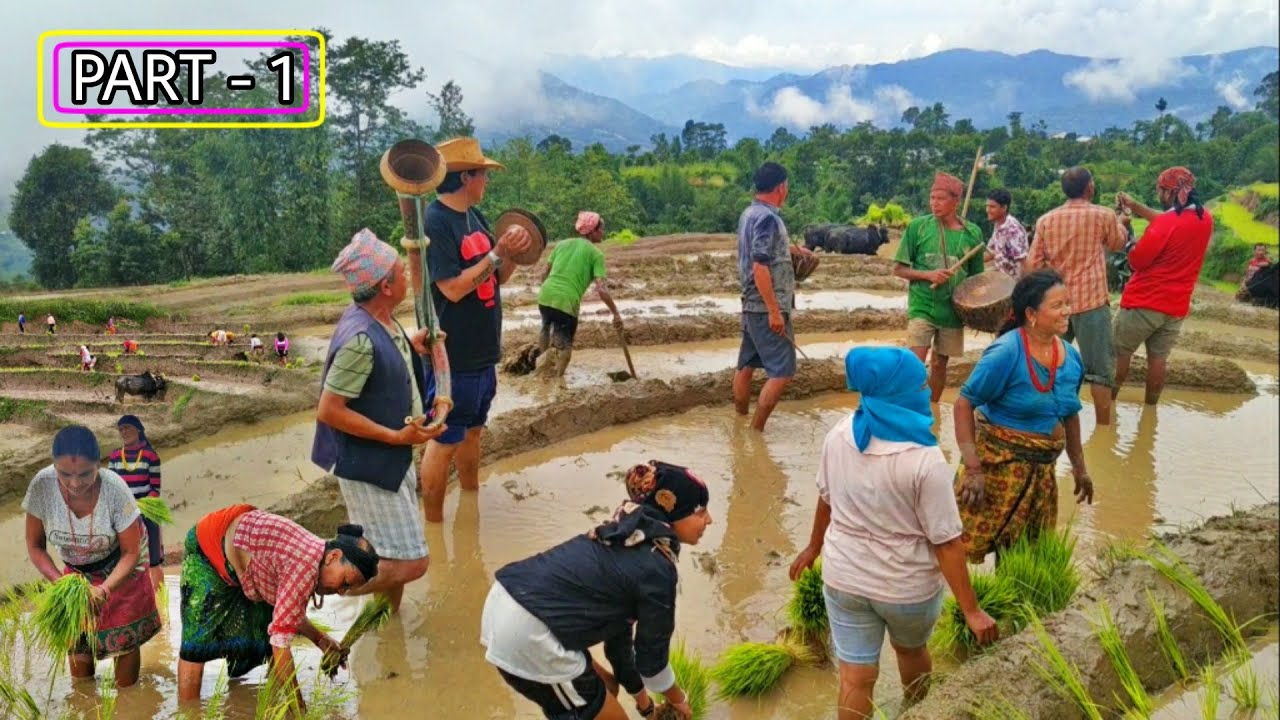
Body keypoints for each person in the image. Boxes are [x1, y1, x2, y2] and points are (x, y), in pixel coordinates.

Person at [790, 347, 998, 720]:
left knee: (855, 676)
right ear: (897, 390)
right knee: (911, 652)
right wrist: (971, 610)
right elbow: (947, 541)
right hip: (906, 587)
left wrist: (813, 547)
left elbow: (825, 499)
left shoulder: (839, 434)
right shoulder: (924, 458)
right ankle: (915, 712)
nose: (925, 388)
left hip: (844, 580)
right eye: (918, 382)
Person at [480, 460, 713, 720]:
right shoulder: (656, 568)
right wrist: (679, 700)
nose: (709, 520)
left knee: (608, 688)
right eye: (700, 511)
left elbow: (620, 646)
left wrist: (645, 707)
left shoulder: (625, 535)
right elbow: (652, 662)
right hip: (529, 634)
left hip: (512, 601)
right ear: (672, 511)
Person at [313, 230, 445, 612]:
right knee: (412, 563)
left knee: (385, 554)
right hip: (370, 464)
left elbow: (385, 364)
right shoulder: (360, 340)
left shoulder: (381, 321)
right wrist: (393, 436)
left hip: (390, 455)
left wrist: (413, 345)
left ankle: (388, 624)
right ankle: (318, 593)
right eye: (402, 271)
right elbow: (329, 409)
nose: (407, 276)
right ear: (386, 286)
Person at [419, 136, 531, 524]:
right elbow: (450, 286)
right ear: (466, 177)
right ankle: (432, 525)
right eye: (483, 174)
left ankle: (470, 499)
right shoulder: (435, 221)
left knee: (473, 432)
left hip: (483, 350)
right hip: (455, 353)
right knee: (443, 439)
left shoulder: (475, 217)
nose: (487, 182)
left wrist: (510, 256)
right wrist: (497, 253)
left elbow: (495, 277)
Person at [176, 505, 379, 711]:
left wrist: (320, 639)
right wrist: (299, 709)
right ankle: (187, 710)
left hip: (248, 556)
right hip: (209, 544)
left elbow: (287, 612)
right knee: (196, 644)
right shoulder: (303, 568)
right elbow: (280, 642)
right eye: (345, 582)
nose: (342, 592)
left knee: (262, 634)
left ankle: (265, 701)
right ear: (333, 556)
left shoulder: (315, 553)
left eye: (349, 588)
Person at [953, 269, 1094, 563]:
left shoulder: (1072, 357)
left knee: (1024, 559)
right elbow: (963, 404)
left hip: (1042, 473)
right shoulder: (1006, 352)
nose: (1067, 311)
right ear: (1031, 313)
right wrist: (974, 469)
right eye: (1057, 305)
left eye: (1068, 303)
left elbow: (1070, 415)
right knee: (957, 551)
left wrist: (1080, 468)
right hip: (997, 469)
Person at [23, 425, 161, 688]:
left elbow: (131, 552)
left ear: (100, 464)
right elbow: (35, 546)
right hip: (74, 573)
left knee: (124, 638)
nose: (75, 483)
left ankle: (127, 699)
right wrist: (60, 582)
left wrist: (105, 589)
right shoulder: (42, 486)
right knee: (77, 643)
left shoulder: (115, 490)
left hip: (120, 567)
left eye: (85, 474)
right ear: (54, 467)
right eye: (65, 474)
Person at [1024, 166, 1129, 426]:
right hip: (1091, 302)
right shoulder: (1103, 215)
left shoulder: (1046, 220)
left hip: (1055, 306)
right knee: (1100, 372)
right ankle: (1104, 430)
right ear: (1090, 188)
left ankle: (1045, 424)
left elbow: (1033, 264)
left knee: (1049, 366)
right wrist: (1121, 224)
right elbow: (1117, 244)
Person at [1111, 168, 1215, 406]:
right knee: (1158, 359)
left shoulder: (1167, 222)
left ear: (1169, 193)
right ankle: (1150, 410)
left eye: (1160, 190)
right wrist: (1136, 206)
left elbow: (1137, 261)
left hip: (1144, 301)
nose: (1158, 194)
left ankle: (1108, 408)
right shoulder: (1204, 218)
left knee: (1119, 353)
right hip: (1176, 306)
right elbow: (1168, 220)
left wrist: (1128, 234)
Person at [892, 172, 985, 403]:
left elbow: (977, 280)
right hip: (922, 306)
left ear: (956, 201)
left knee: (939, 364)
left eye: (940, 199)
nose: (934, 203)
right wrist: (928, 274)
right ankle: (911, 408)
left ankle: (931, 410)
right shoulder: (918, 227)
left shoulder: (972, 233)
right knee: (915, 363)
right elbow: (899, 269)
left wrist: (975, 313)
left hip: (952, 312)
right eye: (932, 198)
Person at [733, 161, 810, 432]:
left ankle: (740, 422)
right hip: (766, 304)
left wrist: (789, 250)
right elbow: (760, 264)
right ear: (782, 187)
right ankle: (756, 431)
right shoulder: (768, 218)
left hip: (750, 303)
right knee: (783, 371)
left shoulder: (750, 213)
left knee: (746, 364)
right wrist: (775, 310)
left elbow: (762, 250)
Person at [534, 210, 623, 379]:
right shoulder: (596, 254)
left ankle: (543, 371)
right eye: (601, 229)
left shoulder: (562, 244)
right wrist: (615, 313)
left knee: (545, 327)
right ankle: (558, 380)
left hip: (545, 296)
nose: (603, 232)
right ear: (593, 231)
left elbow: (543, 273)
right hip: (567, 301)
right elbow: (602, 289)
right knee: (565, 344)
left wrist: (549, 290)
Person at [107, 415, 164, 591]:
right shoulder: (116, 456)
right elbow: (111, 487)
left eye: (127, 428)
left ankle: (160, 601)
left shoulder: (150, 456)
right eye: (121, 429)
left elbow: (155, 489)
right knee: (123, 558)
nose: (124, 432)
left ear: (138, 429)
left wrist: (140, 508)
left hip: (146, 511)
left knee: (153, 560)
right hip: (123, 514)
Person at [984, 188, 1029, 279]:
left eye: (992, 207)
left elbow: (1023, 261)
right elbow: (991, 251)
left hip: (1013, 283)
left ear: (1004, 208)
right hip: (1001, 277)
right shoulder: (998, 224)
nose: (987, 210)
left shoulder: (1012, 230)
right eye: (987, 206)